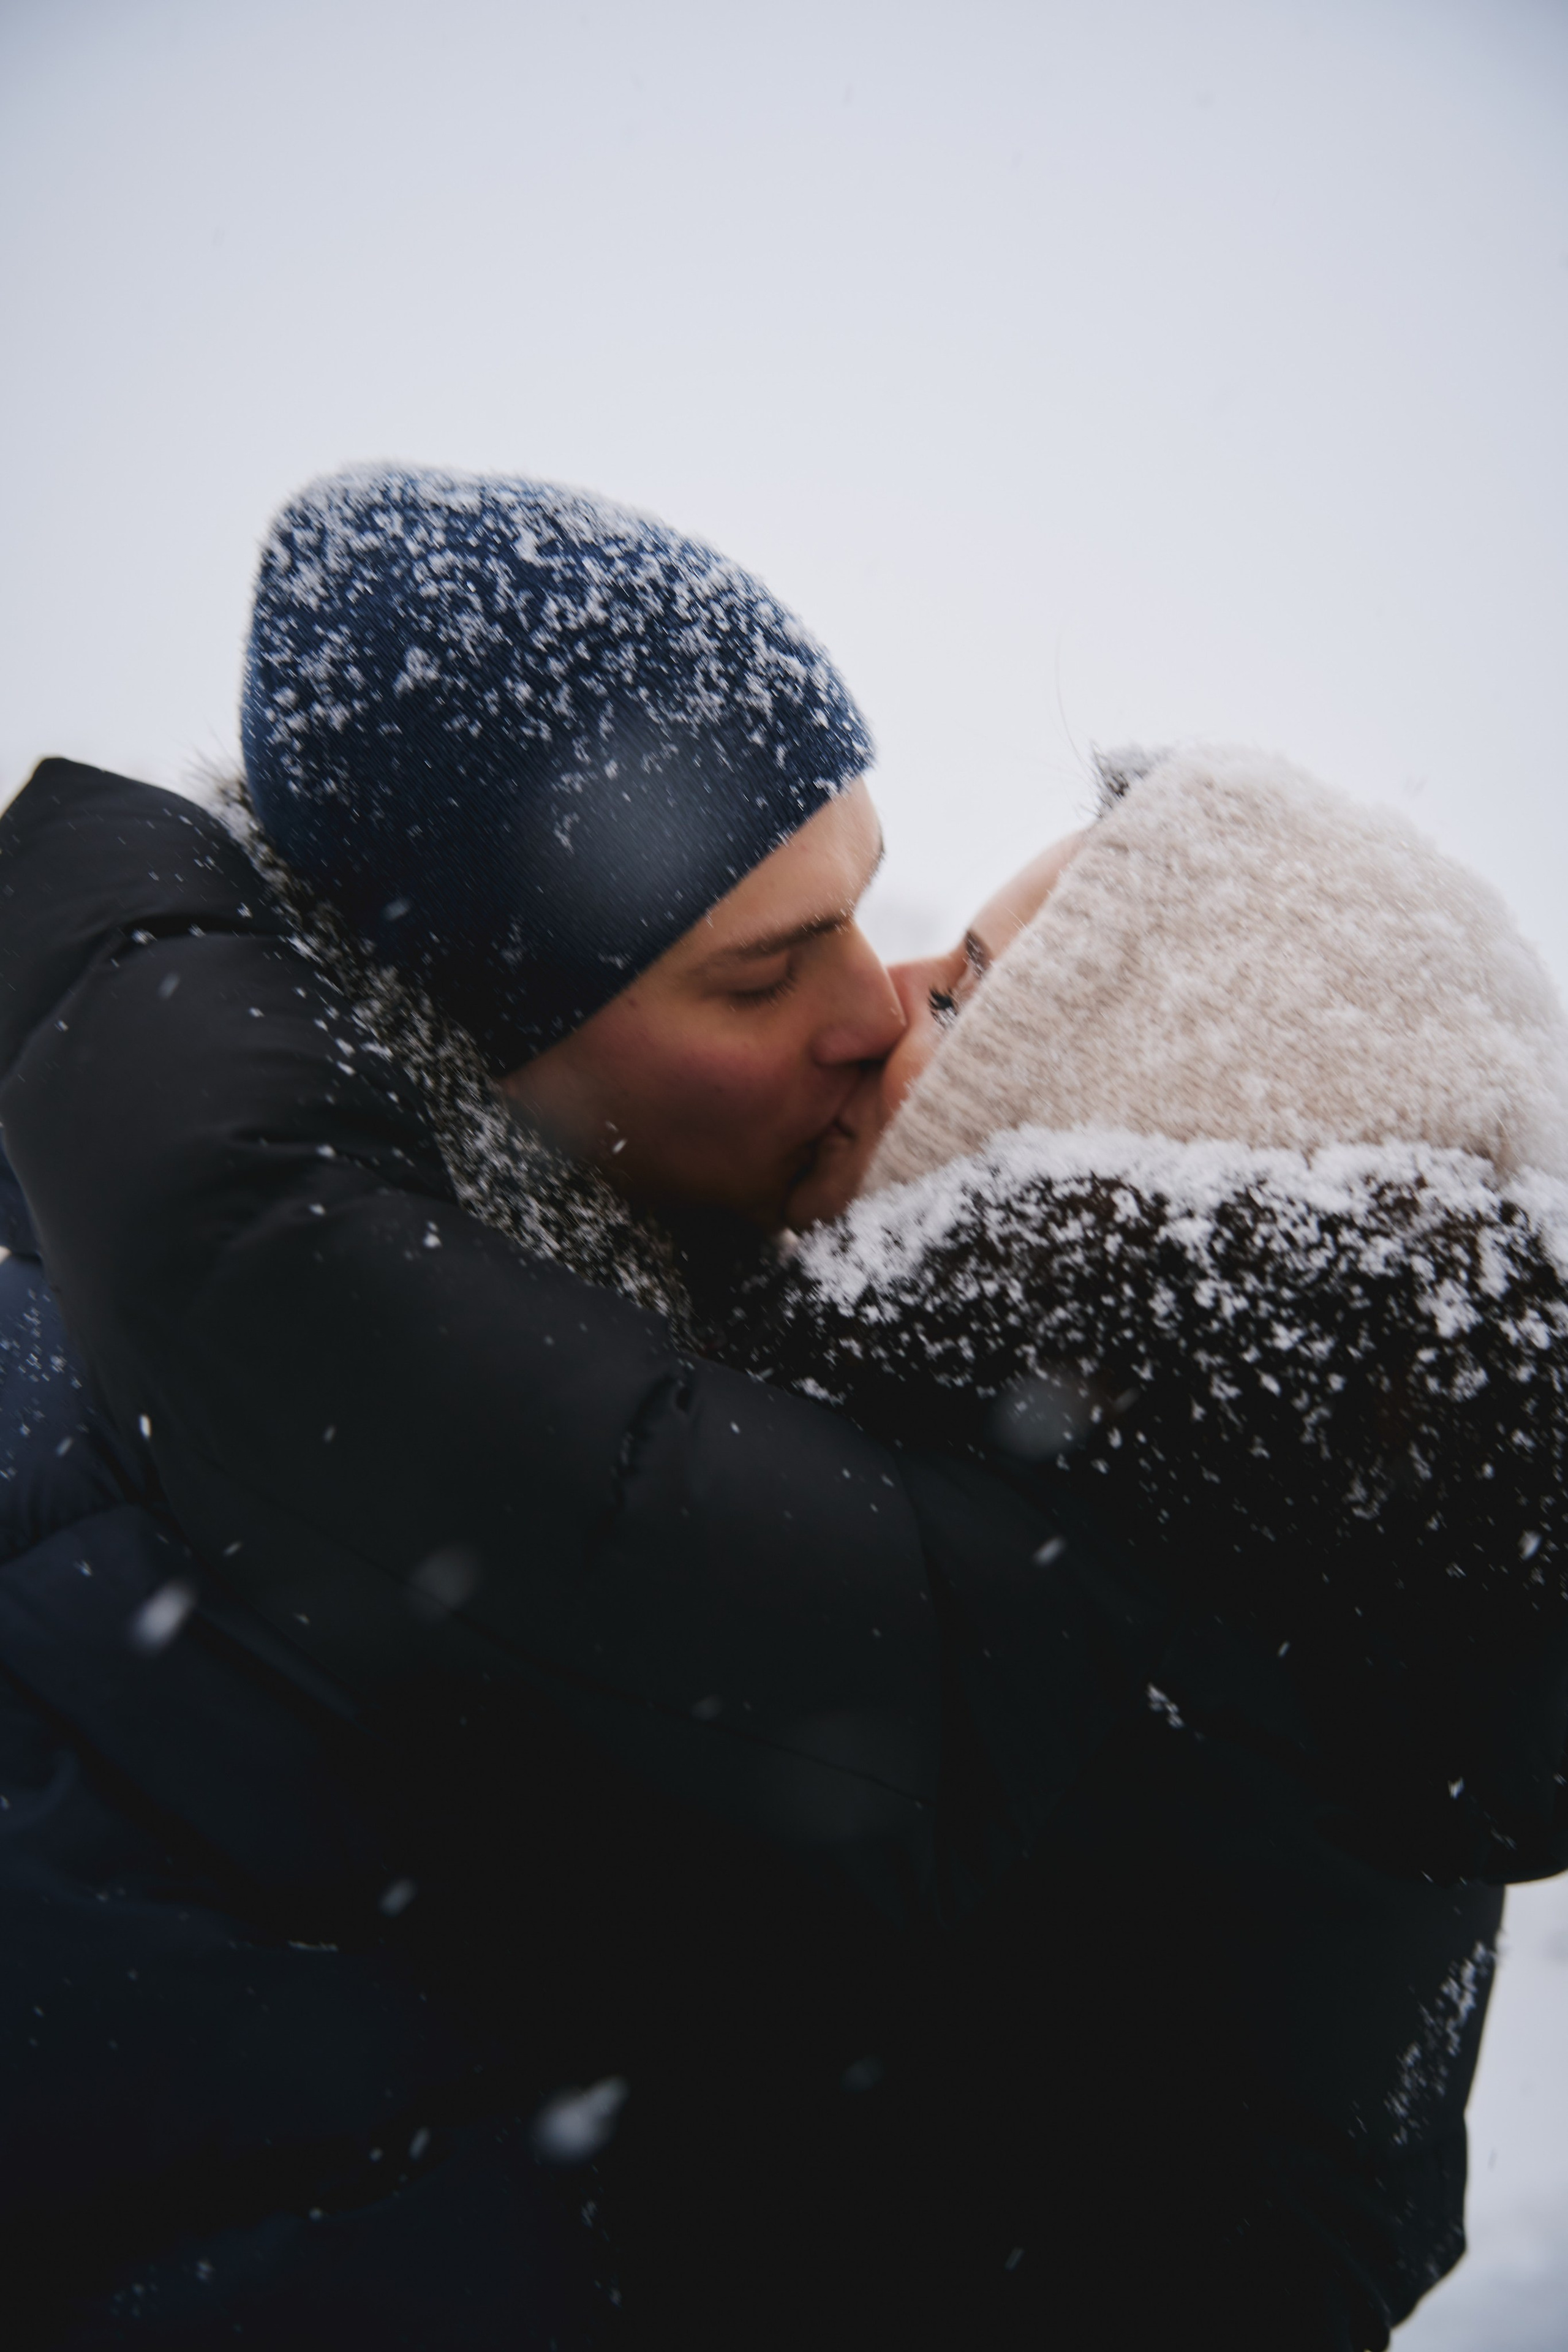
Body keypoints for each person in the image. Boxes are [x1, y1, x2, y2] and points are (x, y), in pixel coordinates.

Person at [0, 470, 1553, 2346]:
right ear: (470, 1033)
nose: (879, 1017)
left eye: (873, 920)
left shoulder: (915, 1536)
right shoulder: (317, 1446)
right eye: (757, 969)